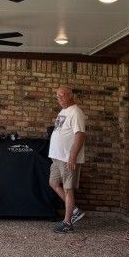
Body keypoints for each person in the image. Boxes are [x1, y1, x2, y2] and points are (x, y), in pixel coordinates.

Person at [48, 85, 87, 233]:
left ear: (70, 95)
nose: (59, 99)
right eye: (58, 96)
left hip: (67, 159)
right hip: (57, 157)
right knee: (53, 182)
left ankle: (67, 223)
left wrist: (72, 156)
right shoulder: (63, 111)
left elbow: (80, 135)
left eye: (62, 95)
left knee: (68, 189)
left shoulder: (76, 112)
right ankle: (75, 211)